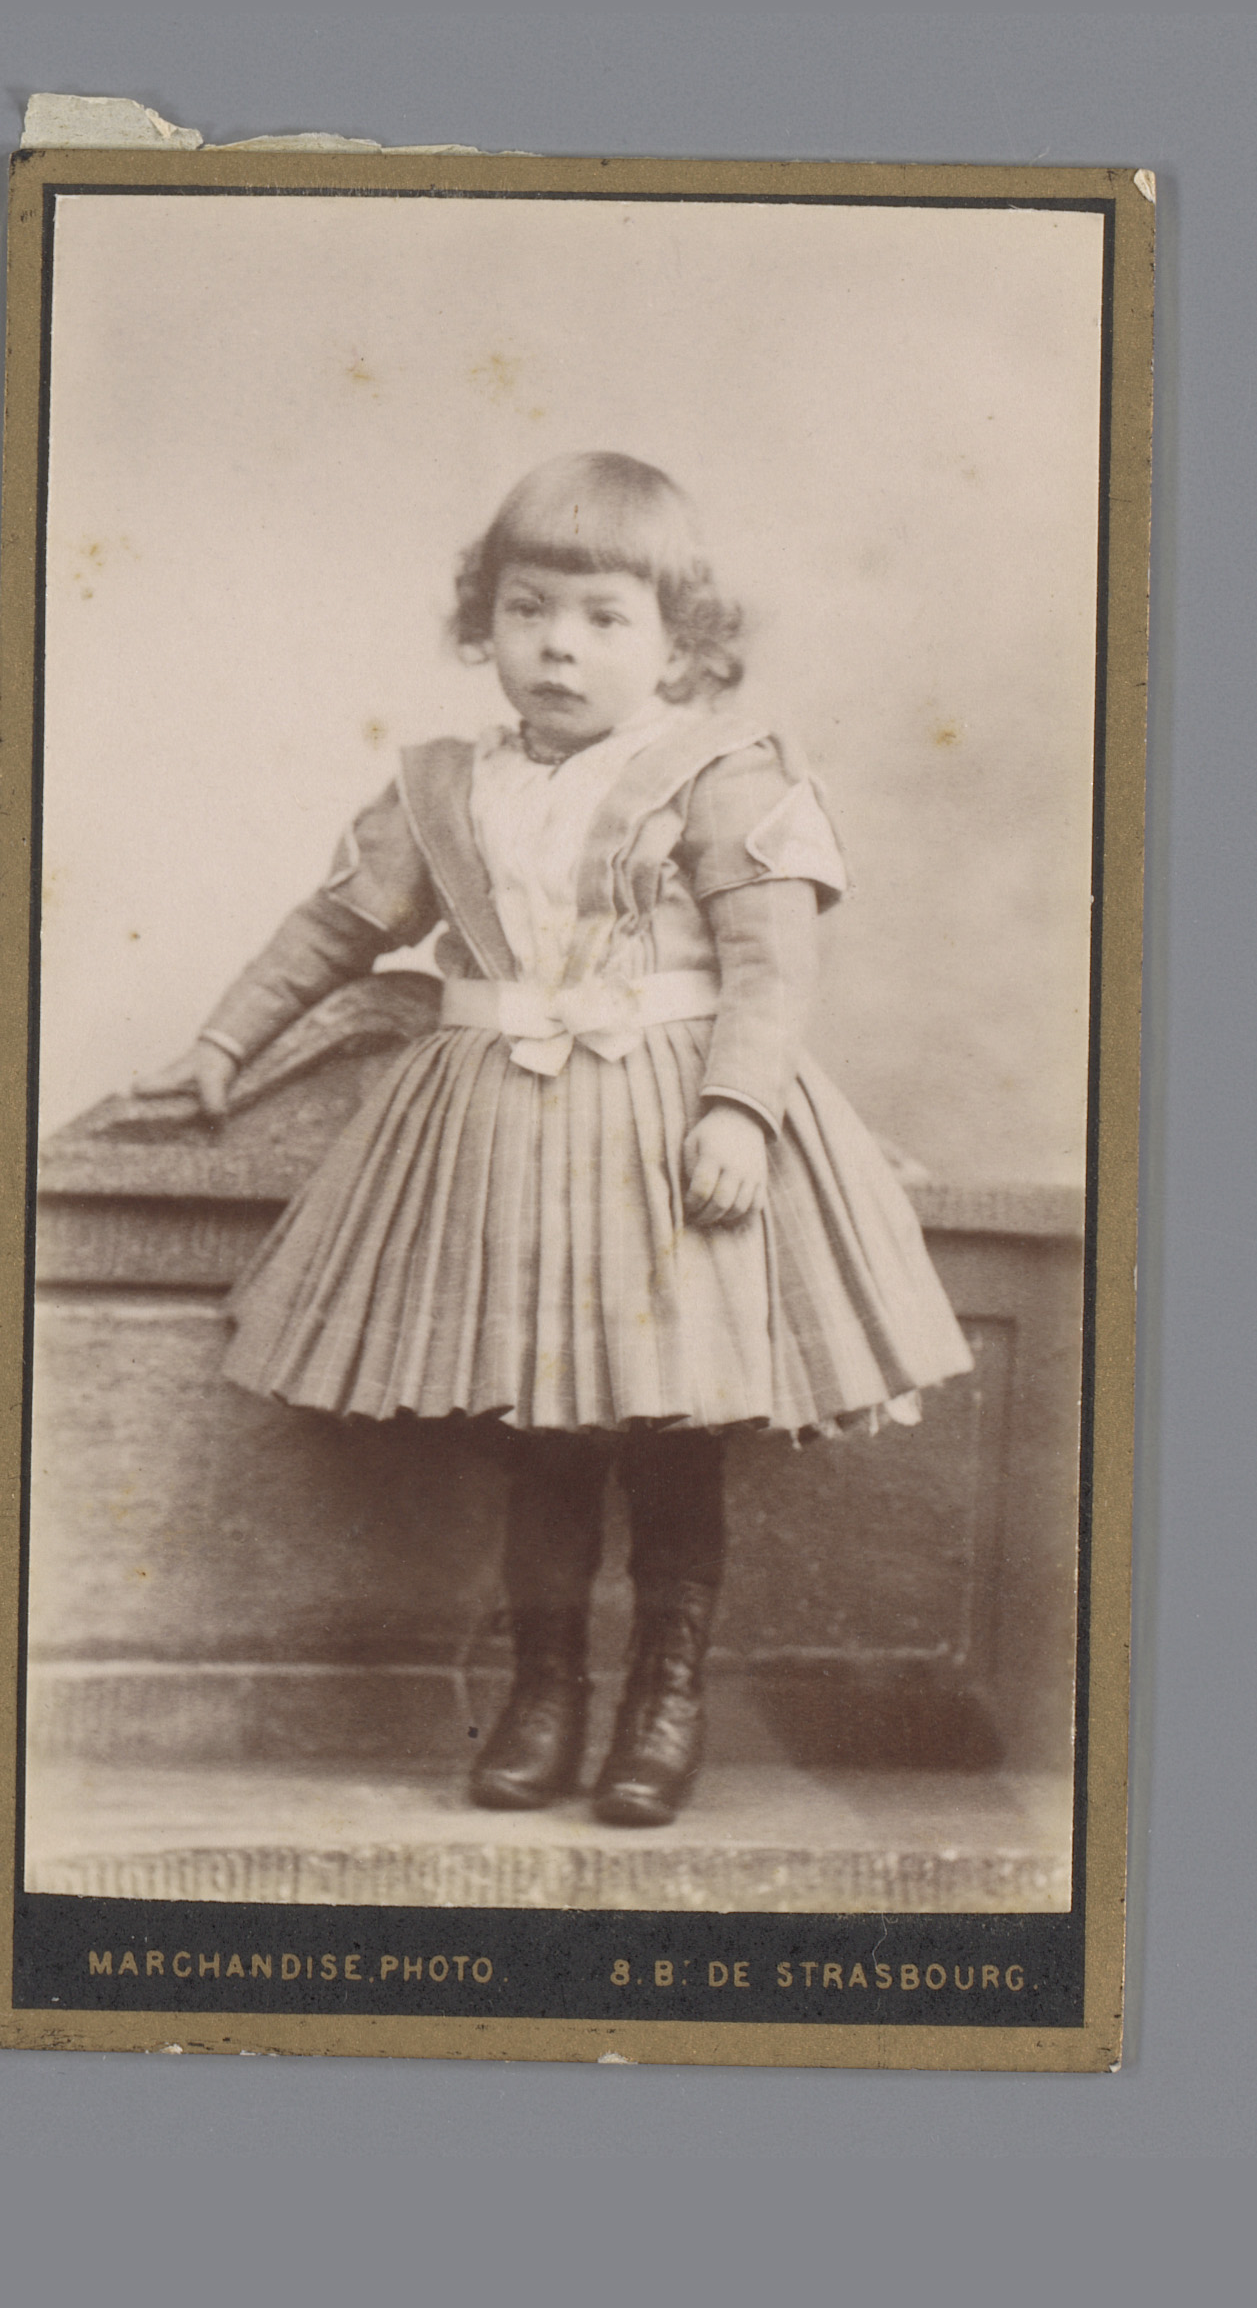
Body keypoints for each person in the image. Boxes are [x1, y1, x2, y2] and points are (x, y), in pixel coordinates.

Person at [138, 451, 973, 1829]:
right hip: (502, 1151)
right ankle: (544, 1692)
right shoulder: (444, 785)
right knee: (543, 1437)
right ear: (486, 622)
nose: (559, 646)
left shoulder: (721, 771)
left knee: (672, 1433)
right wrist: (225, 1041)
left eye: (602, 617)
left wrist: (737, 1107)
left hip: (668, 1140)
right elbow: (334, 927)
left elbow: (770, 966)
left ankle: (665, 1698)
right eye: (527, 610)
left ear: (679, 643)